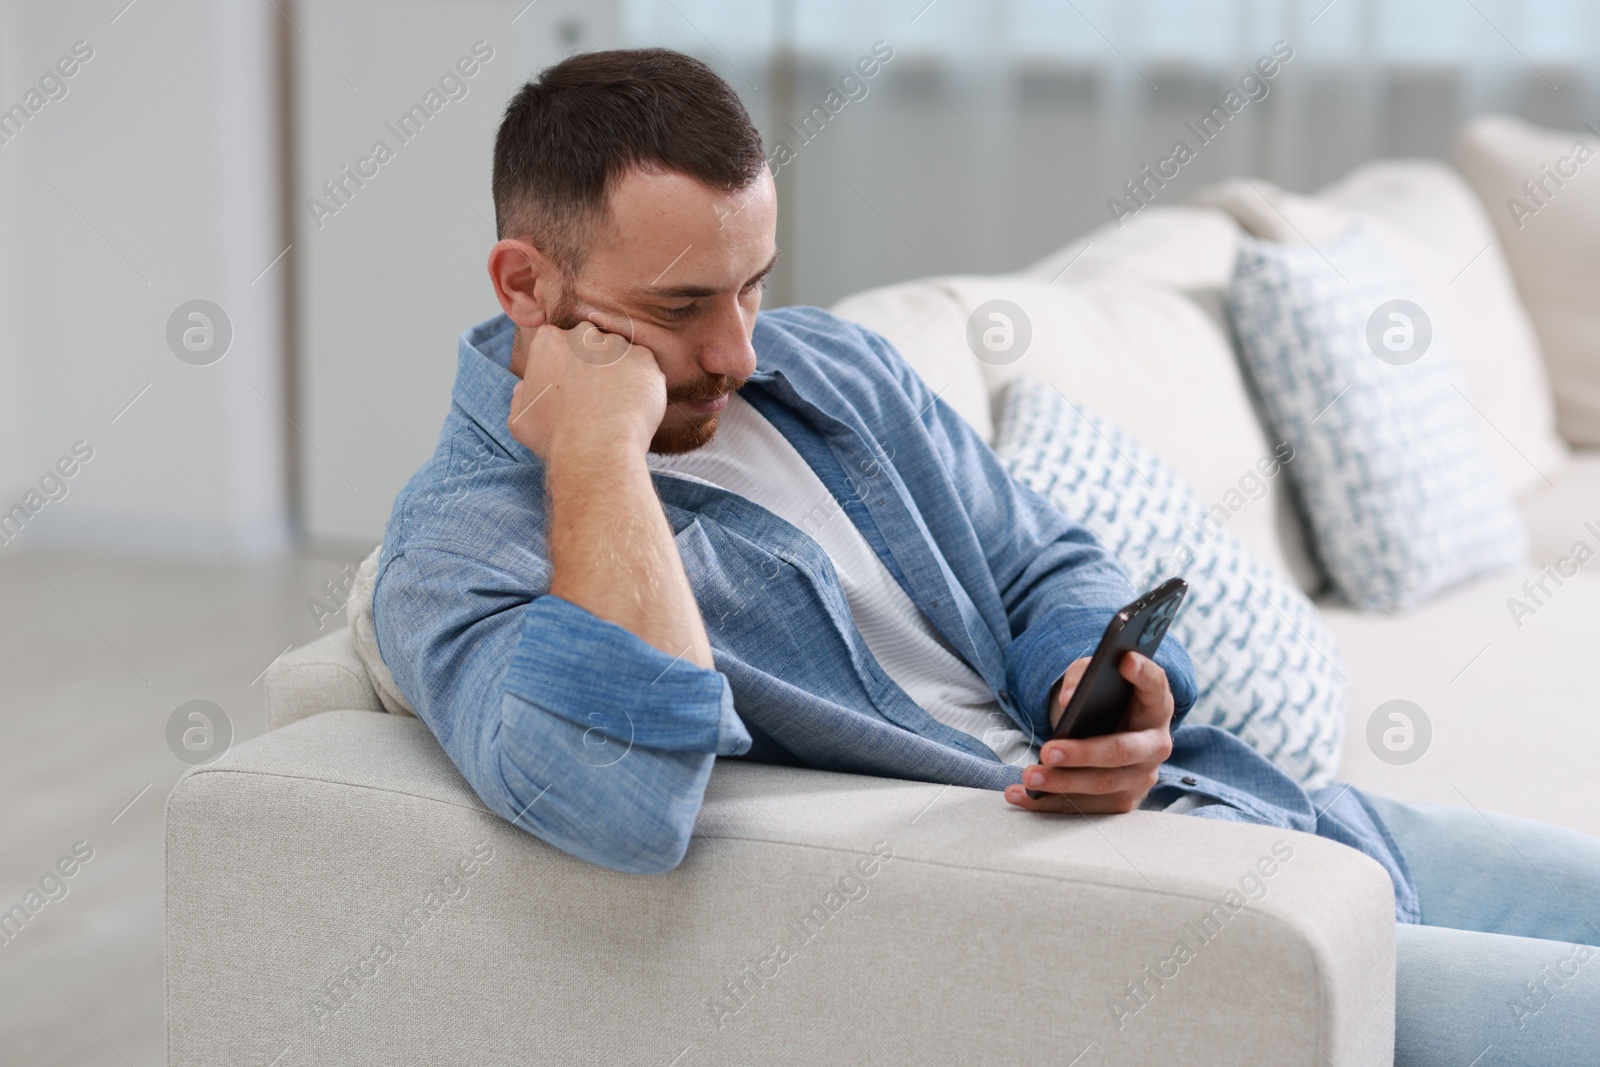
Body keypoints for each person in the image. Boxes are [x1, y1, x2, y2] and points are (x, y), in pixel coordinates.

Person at [372, 47, 1600, 1065]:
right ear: (525, 284)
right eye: (682, 307)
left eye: (753, 284)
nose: (739, 349)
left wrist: (1080, 682)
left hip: (1257, 806)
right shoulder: (458, 547)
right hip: (1182, 920)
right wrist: (597, 455)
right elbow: (620, 798)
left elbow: (1039, 561)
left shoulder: (830, 369)